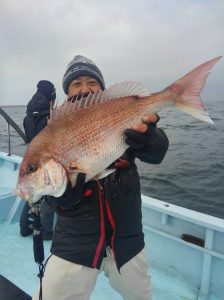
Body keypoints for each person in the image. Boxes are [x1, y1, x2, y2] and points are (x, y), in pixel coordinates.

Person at [32, 55, 169, 300]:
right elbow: (46, 189)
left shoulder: (118, 113)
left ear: (101, 89)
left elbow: (157, 153)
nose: (85, 88)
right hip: (74, 242)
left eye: (91, 82)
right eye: (76, 84)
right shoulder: (56, 129)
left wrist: (151, 138)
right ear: (67, 92)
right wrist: (62, 198)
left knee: (141, 295)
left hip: (127, 240)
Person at [19, 80, 56, 240]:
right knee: (49, 196)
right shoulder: (50, 114)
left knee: (32, 196)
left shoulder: (28, 114)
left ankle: (24, 227)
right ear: (51, 95)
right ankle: (47, 232)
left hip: (31, 159)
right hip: (46, 161)